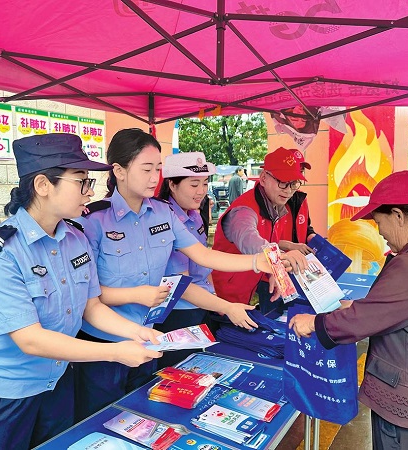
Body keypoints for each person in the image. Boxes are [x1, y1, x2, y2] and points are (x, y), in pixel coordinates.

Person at [73, 129, 303, 421]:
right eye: (146, 169)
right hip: (103, 343)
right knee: (97, 420)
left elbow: (203, 256)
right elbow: (86, 296)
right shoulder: (92, 220)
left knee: (143, 415)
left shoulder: (162, 213)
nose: (154, 177)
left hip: (149, 338)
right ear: (118, 171)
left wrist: (257, 262)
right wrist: (137, 295)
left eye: (157, 169)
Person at [0, 134, 162, 450]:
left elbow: (92, 307)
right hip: (4, 392)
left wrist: (138, 333)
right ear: (43, 185)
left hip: (57, 380)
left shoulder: (76, 239)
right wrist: (114, 352)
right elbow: (30, 339)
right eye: (81, 182)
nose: (90, 191)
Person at [289, 171, 408, 450]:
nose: (380, 232)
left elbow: (360, 321)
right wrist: (361, 306)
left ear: (398, 216)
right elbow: (407, 307)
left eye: (378, 221)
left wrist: (314, 322)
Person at [155, 151, 258, 368]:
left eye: (204, 183)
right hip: (179, 313)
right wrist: (226, 306)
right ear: (172, 184)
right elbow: (181, 285)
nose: (201, 191)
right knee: (179, 373)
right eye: (194, 185)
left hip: (203, 306)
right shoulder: (165, 220)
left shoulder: (195, 214)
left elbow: (205, 263)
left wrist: (216, 301)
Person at [211, 147, 309, 310]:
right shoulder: (244, 210)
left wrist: (281, 258)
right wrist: (280, 257)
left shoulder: (274, 204)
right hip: (226, 294)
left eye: (294, 183)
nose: (288, 190)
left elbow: (267, 239)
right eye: (283, 182)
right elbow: (249, 240)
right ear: (263, 178)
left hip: (249, 284)